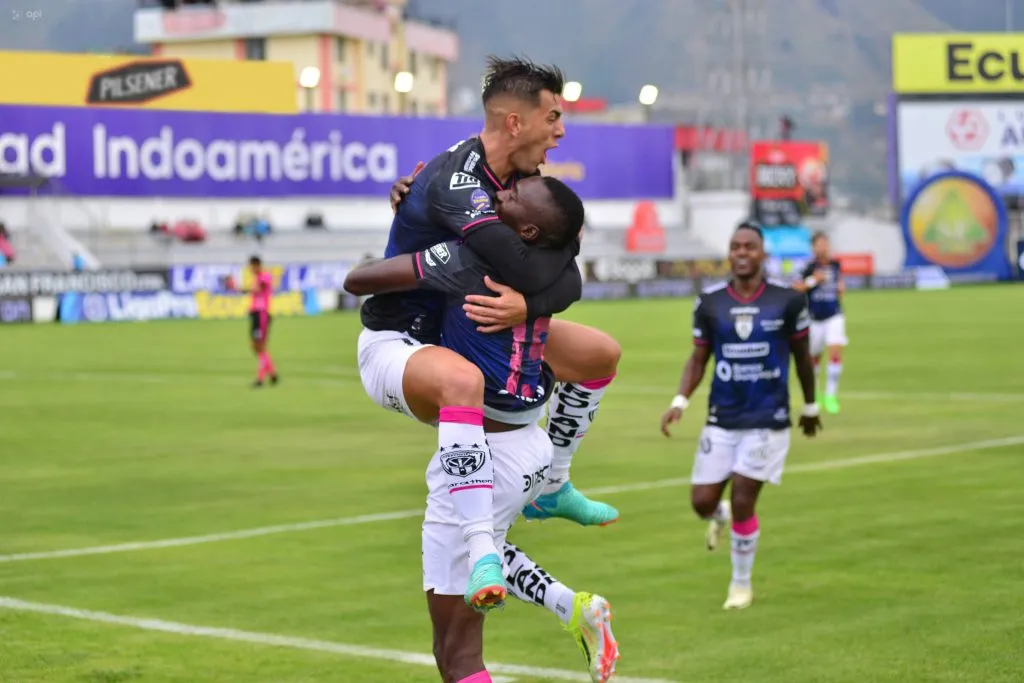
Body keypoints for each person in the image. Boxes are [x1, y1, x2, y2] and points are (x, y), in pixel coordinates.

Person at [360, 56, 620, 607]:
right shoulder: (457, 181)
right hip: (400, 343)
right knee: (462, 384)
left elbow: (567, 269)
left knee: (599, 354)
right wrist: (533, 284)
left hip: (464, 332)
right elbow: (535, 263)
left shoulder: (519, 182)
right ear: (515, 123)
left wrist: (527, 305)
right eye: (553, 116)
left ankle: (554, 485)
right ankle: (482, 550)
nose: (561, 131)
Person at [345, 178, 618, 682]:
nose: (500, 197)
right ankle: (567, 589)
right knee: (484, 545)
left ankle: (509, 552)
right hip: (532, 449)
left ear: (527, 229)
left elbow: (359, 280)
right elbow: (573, 273)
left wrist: (416, 223)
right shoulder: (552, 261)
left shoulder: (467, 259)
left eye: (514, 198)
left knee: (458, 652)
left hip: (484, 451)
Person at [660, 222, 821, 610]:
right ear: (729, 254)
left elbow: (802, 359)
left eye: (750, 246)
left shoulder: (788, 301)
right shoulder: (711, 302)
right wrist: (681, 400)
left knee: (745, 497)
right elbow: (699, 357)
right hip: (723, 416)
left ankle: (740, 584)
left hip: (769, 417)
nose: (743, 252)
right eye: (736, 246)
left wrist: (811, 406)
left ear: (762, 253)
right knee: (702, 503)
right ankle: (721, 514)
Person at [793, 231, 846, 414]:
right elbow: (797, 288)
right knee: (814, 358)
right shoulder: (809, 267)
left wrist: (840, 288)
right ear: (814, 247)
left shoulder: (835, 265)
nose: (823, 247)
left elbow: (839, 286)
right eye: (819, 244)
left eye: (825, 243)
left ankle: (831, 395)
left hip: (834, 315)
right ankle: (814, 393)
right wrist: (814, 280)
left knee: (835, 351)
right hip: (814, 319)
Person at [227, 256, 279, 388]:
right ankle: (272, 373)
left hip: (262, 315)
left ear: (257, 265)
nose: (250, 268)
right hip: (256, 314)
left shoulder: (264, 277)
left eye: (251, 266)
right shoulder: (255, 278)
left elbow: (258, 289)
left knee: (260, 346)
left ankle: (260, 379)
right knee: (255, 346)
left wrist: (238, 288)